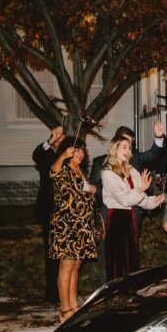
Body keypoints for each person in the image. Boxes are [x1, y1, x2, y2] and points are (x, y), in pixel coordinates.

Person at [101, 136, 166, 281]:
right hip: (117, 218)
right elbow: (125, 199)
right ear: (115, 149)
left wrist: (155, 200)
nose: (128, 150)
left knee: (130, 258)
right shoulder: (108, 173)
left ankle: (130, 291)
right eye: (124, 147)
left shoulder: (132, 170)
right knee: (118, 259)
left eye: (129, 148)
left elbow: (141, 199)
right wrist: (141, 189)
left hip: (130, 219)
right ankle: (117, 292)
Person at [49, 138, 98, 322]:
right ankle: (64, 309)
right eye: (77, 150)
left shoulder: (80, 171)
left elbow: (81, 194)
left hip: (82, 226)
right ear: (68, 151)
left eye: (82, 150)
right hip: (67, 226)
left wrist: (92, 190)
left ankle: (73, 304)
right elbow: (52, 172)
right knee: (67, 266)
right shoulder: (63, 168)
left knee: (76, 266)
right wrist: (62, 156)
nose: (80, 153)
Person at [32, 125, 65, 303]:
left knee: (64, 253)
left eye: (62, 140)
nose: (59, 143)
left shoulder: (69, 158)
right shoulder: (46, 156)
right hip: (49, 210)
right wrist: (50, 140)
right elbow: (36, 155)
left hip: (66, 211)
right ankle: (52, 293)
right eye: (57, 141)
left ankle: (63, 290)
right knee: (52, 252)